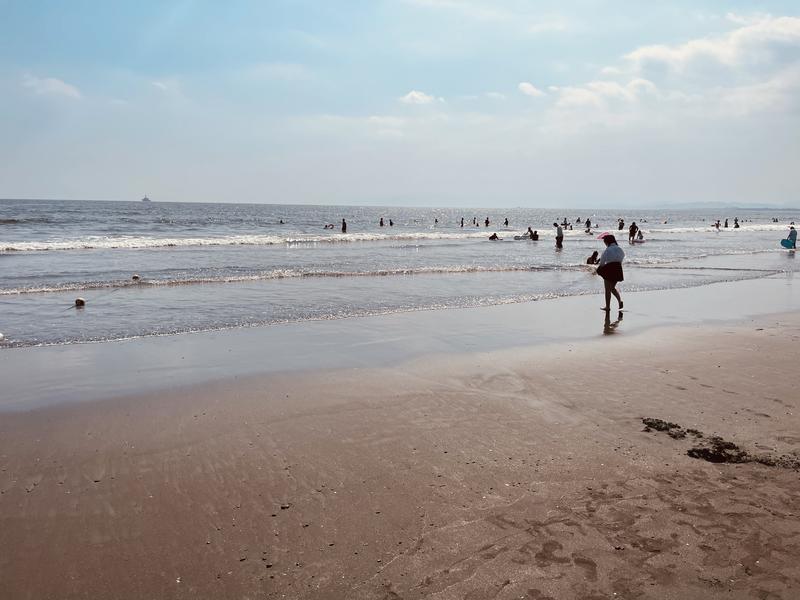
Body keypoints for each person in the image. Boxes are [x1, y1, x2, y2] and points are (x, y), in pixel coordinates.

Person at [596, 234, 624, 311]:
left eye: (605, 242)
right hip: (618, 269)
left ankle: (607, 307)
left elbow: (602, 263)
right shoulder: (620, 249)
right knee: (612, 288)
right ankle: (619, 301)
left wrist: (598, 270)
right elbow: (621, 258)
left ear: (607, 242)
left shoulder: (607, 250)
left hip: (609, 270)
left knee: (607, 289)